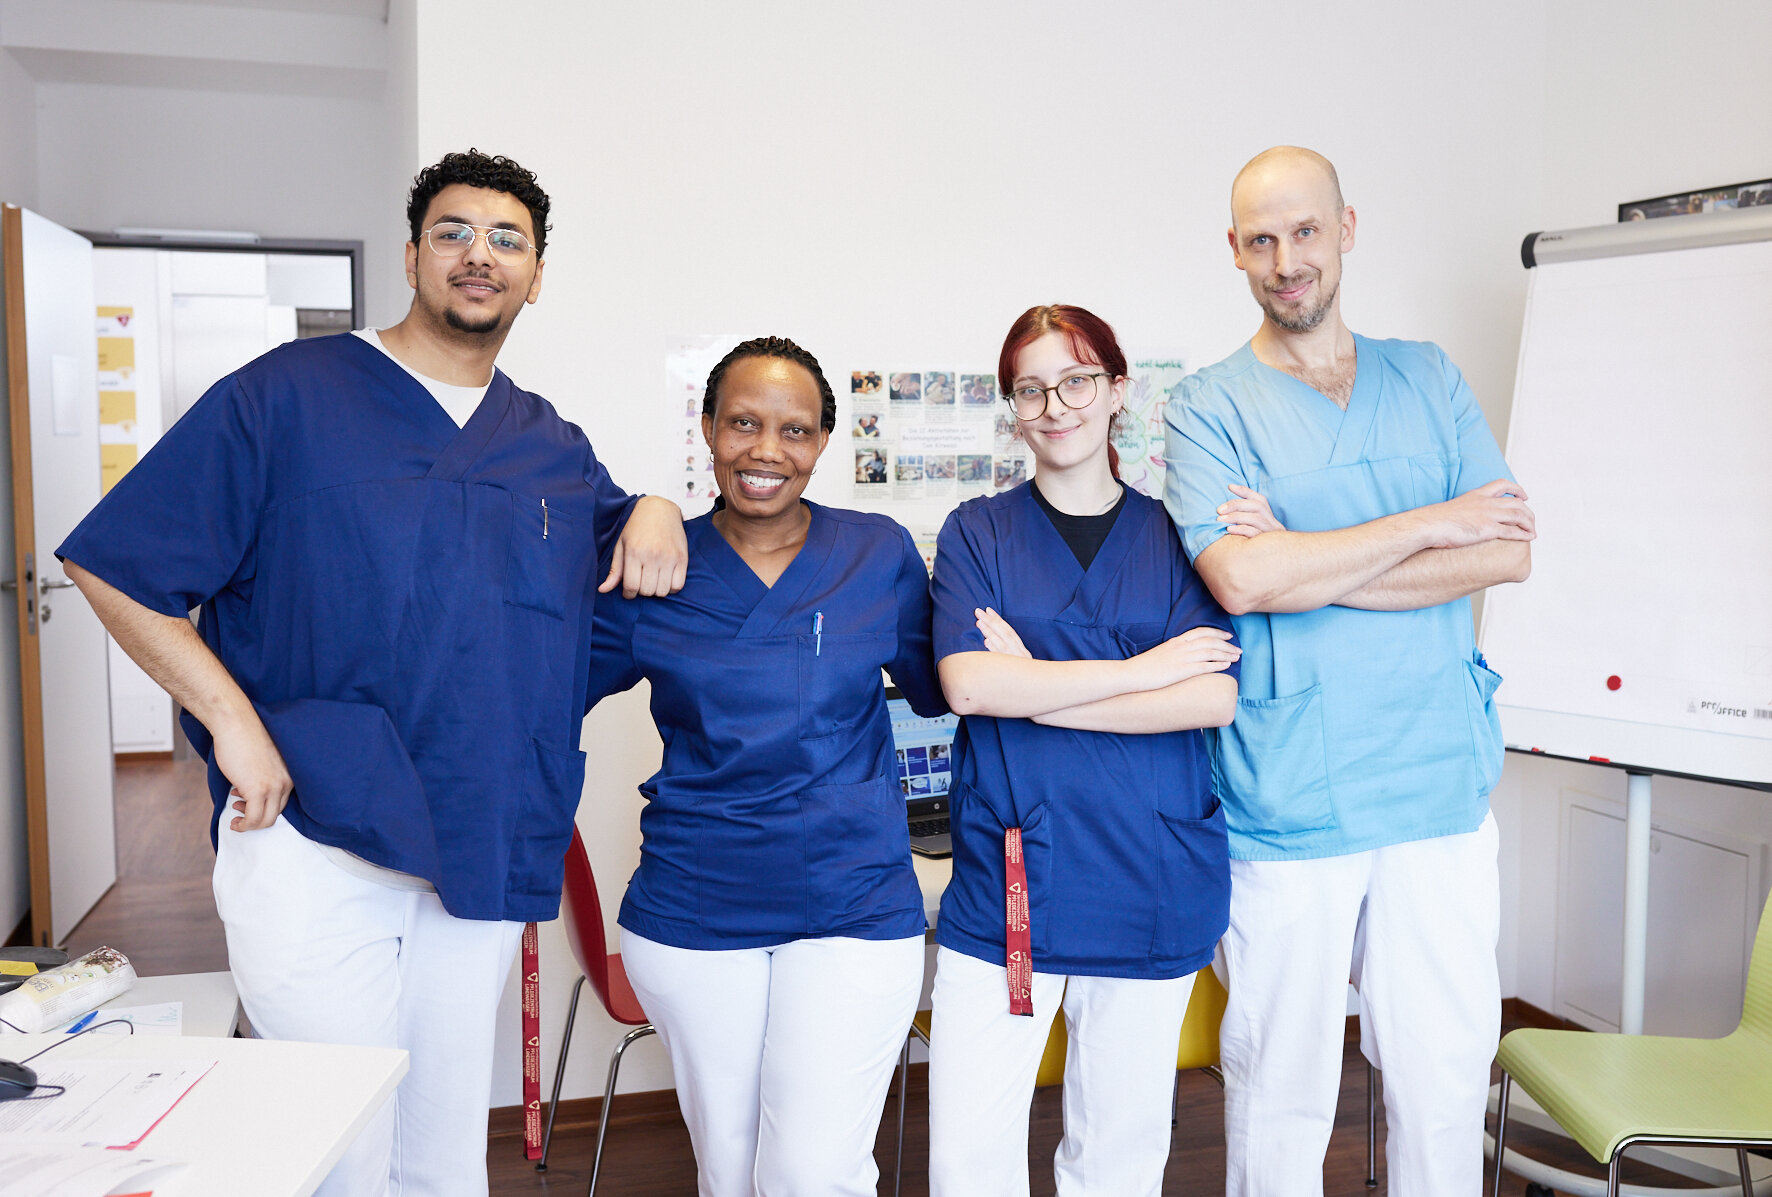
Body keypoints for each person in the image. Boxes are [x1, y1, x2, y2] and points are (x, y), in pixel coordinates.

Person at [57, 150, 688, 1197]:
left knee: (443, 1154)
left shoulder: (549, 446)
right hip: (313, 832)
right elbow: (116, 563)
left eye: (507, 240)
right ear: (410, 255)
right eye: (453, 233)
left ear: (537, 276)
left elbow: (623, 554)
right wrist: (232, 724)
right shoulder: (285, 397)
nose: (479, 255)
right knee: (338, 1150)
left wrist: (658, 505)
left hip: (479, 841)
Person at [1162, 146, 1535, 1196]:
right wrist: (1429, 522)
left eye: (1305, 231)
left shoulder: (1428, 376)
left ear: (1346, 229)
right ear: (1234, 251)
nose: (1287, 260)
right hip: (1293, 792)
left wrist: (1303, 555)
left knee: (1443, 1081)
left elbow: (1505, 552)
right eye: (1262, 239)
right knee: (1279, 1095)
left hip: (1435, 784)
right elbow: (1241, 579)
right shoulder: (1205, 407)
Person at [586, 336, 945, 1196]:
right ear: (708, 429)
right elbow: (536, 686)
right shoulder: (658, 561)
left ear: (822, 442)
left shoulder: (877, 553)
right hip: (696, 903)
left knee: (812, 1172)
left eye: (795, 429)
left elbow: (944, 685)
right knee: (731, 1166)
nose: (766, 450)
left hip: (855, 900)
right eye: (743, 423)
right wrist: (636, 509)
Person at [927, 305, 1241, 1196]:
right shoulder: (977, 531)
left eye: (1075, 381)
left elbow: (1210, 697)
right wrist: (1141, 671)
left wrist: (1037, 687)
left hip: (1149, 876)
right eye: (1030, 389)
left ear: (1115, 390)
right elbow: (971, 686)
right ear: (1014, 409)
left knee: (1117, 1162)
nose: (1054, 406)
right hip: (1013, 884)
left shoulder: (1178, 535)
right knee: (966, 1161)